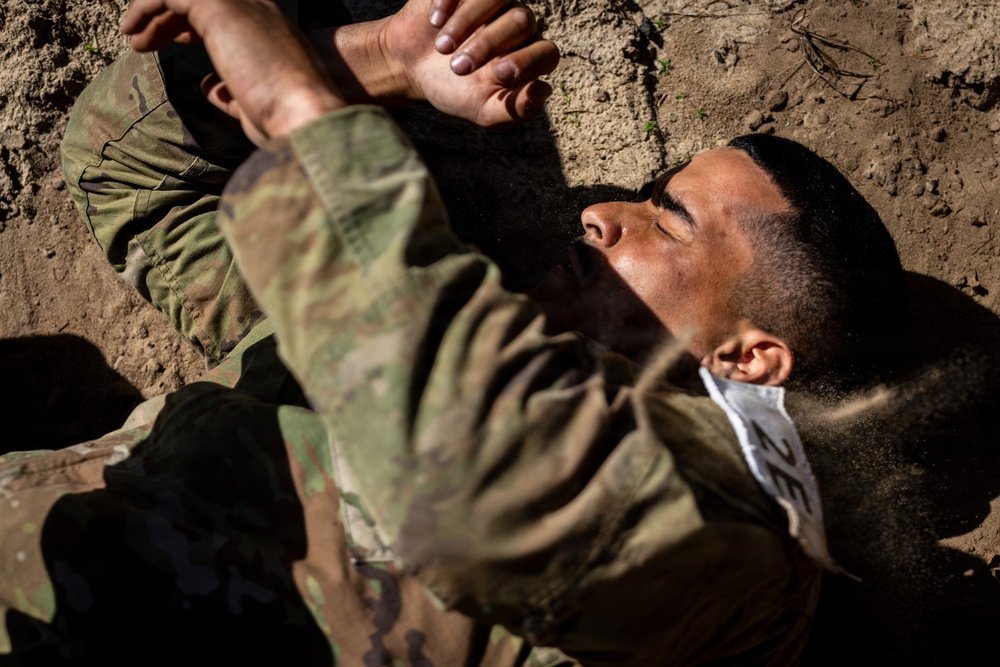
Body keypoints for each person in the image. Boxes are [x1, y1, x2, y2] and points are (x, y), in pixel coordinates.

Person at [0, 0, 903, 664]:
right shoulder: (388, 302)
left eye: (668, 223)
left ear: (745, 358)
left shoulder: (744, 544)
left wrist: (293, 105)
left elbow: (479, 476)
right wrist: (387, 59)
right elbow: (127, 166)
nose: (597, 212)